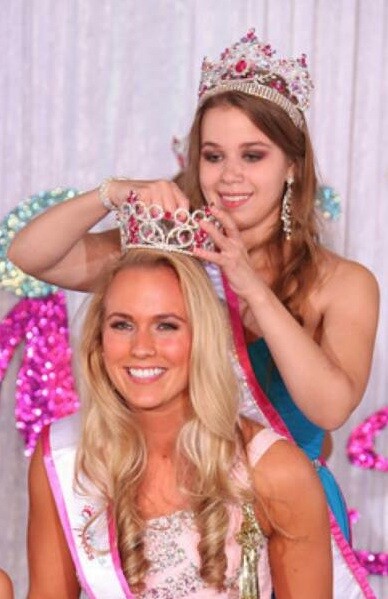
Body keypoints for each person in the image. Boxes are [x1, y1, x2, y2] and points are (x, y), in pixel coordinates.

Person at [10, 29, 378, 595]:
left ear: (293, 168)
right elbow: (29, 254)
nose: (230, 177)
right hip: (178, 498)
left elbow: (329, 407)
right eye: (213, 156)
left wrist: (248, 284)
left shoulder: (342, 283)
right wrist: (113, 193)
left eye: (252, 156)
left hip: (284, 504)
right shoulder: (171, 258)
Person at [27, 248, 332, 598]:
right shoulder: (65, 456)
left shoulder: (276, 471)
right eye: (122, 325)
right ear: (99, 340)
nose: (141, 348)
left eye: (166, 325)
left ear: (202, 337)